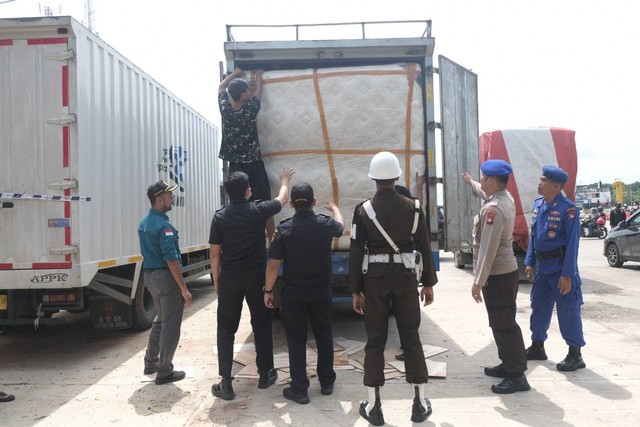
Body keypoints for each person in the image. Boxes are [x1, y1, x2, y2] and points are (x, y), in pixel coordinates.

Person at [348, 151, 438, 425]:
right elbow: (423, 245)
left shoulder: (363, 210)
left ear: (374, 179)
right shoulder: (414, 207)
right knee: (411, 336)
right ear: (397, 176)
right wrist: (429, 284)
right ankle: (420, 404)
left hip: (374, 280)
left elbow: (355, 251)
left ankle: (374, 406)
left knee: (375, 340)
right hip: (406, 277)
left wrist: (355, 289)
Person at [209, 167, 295, 400]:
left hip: (230, 278)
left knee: (226, 328)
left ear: (229, 194)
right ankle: (266, 374)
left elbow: (215, 254)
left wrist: (217, 280)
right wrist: (284, 180)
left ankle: (226, 382)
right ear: (248, 190)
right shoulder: (258, 210)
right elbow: (282, 198)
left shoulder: (220, 217)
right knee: (261, 323)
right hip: (256, 277)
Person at [263, 182, 344, 404]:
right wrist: (335, 208)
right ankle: (327, 382)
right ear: (314, 202)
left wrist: (268, 290)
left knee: (296, 340)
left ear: (291, 204)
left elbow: (273, 265)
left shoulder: (284, 228)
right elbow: (340, 226)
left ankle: (299, 388)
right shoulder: (325, 224)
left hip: (294, 295)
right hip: (321, 292)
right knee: (324, 335)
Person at [462, 160, 530, 394]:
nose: (481, 181)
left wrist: (478, 281)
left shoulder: (494, 210)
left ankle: (517, 375)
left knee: (504, 324)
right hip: (502, 273)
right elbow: (483, 192)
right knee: (500, 322)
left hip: (498, 275)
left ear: (491, 180)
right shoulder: (503, 197)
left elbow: (488, 248)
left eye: (482, 178)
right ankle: (509, 364)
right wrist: (471, 182)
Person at [524, 166, 586, 372]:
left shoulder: (567, 210)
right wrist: (530, 261)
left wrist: (568, 274)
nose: (539, 183)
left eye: (544, 180)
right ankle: (537, 346)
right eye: (540, 178)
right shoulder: (539, 205)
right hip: (542, 267)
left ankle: (575, 353)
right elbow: (534, 236)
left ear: (557, 186)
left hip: (560, 267)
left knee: (568, 309)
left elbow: (573, 244)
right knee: (539, 306)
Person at [138, 180, 193, 385]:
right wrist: (184, 289)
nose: (172, 198)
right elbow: (171, 260)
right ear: (159, 199)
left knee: (160, 320)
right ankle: (164, 371)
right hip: (164, 278)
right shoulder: (164, 227)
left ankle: (150, 362)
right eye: (169, 196)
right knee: (170, 325)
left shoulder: (144, 223)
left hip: (149, 277)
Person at [218, 67, 277, 240]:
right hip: (253, 164)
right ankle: (272, 241)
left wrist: (235, 74)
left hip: (236, 166)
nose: (250, 92)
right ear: (243, 95)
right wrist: (258, 74)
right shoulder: (250, 110)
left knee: (238, 204)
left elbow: (221, 87)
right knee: (265, 203)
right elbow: (259, 91)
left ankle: (240, 238)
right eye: (247, 91)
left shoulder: (226, 111)